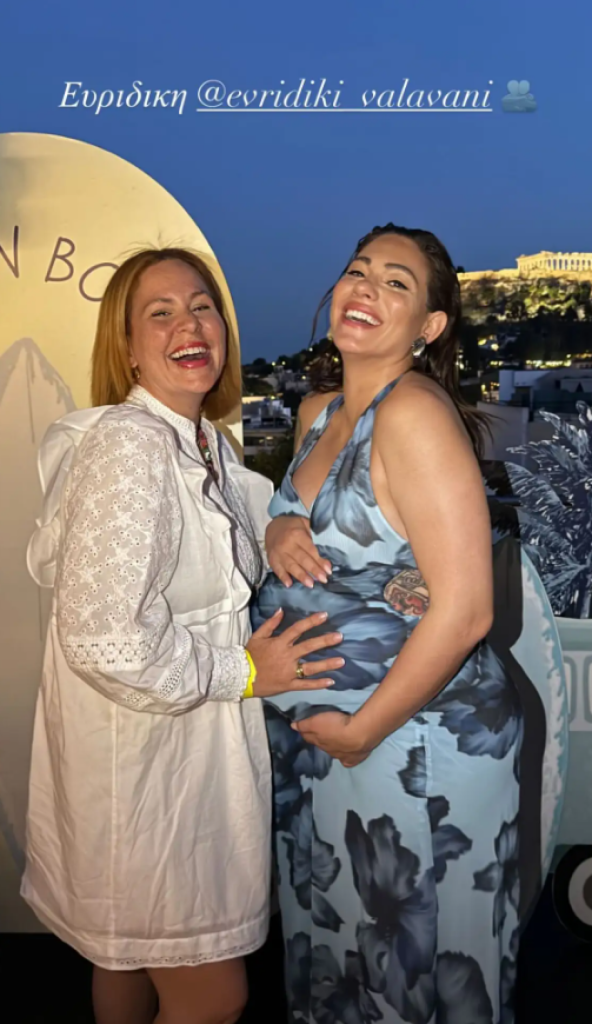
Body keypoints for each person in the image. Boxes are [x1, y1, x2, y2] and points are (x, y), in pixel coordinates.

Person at [21, 247, 344, 1024]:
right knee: (214, 995)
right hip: (153, 776)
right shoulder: (131, 444)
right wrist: (243, 672)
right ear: (128, 347)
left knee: (126, 963)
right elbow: (104, 640)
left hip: (147, 764)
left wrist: (274, 527)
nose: (189, 326)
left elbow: (216, 535)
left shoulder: (197, 443)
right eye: (159, 313)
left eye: (202, 307)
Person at [252, 224, 554, 1024]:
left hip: (411, 739)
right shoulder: (317, 411)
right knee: (345, 954)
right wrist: (279, 526)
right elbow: (333, 533)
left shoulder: (413, 412)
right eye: (359, 271)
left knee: (411, 970)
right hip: (329, 747)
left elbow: (466, 609)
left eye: (396, 283)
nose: (366, 288)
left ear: (430, 325)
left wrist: (361, 733)